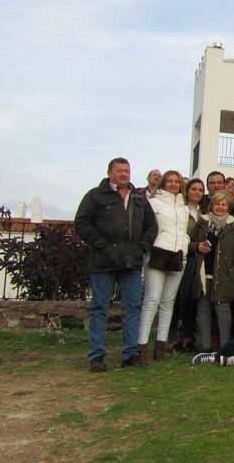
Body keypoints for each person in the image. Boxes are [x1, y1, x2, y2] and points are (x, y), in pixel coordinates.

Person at [75, 158, 158, 371]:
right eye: (119, 170)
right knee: (99, 308)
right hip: (103, 262)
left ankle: (130, 354)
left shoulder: (139, 198)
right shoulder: (95, 195)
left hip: (131, 262)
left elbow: (151, 226)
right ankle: (96, 357)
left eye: (127, 170)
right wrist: (101, 244)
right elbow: (82, 223)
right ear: (109, 172)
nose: (124, 174)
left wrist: (143, 247)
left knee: (132, 308)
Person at [139, 170, 190, 362]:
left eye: (177, 181)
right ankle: (142, 345)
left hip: (178, 255)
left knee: (168, 302)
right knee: (152, 300)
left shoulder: (184, 207)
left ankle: (160, 345)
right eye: (169, 181)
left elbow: (183, 230)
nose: (173, 184)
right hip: (158, 254)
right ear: (163, 183)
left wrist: (185, 244)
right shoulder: (153, 203)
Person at [189, 191, 234, 352]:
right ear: (211, 205)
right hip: (203, 272)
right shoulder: (203, 222)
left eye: (223, 204)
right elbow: (190, 242)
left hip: (224, 275)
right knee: (203, 308)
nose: (220, 207)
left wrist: (233, 271)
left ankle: (225, 346)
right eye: (217, 204)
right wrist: (197, 246)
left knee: (223, 309)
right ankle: (205, 346)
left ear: (228, 207)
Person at [170, 178, 206, 352]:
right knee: (177, 298)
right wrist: (194, 246)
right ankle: (172, 337)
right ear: (187, 191)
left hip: (198, 261)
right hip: (181, 258)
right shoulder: (180, 210)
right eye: (194, 189)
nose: (197, 192)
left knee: (192, 298)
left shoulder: (203, 213)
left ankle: (188, 336)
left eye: (200, 190)